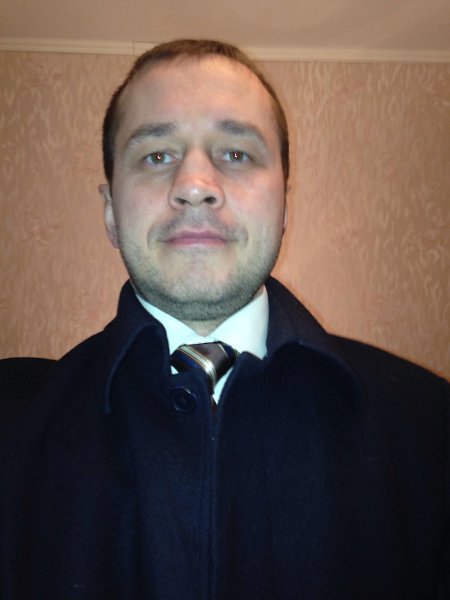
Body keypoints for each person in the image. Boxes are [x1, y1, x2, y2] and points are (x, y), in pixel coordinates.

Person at [1, 39, 448, 600]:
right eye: (156, 155)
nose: (195, 186)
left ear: (283, 207)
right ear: (111, 211)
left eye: (236, 154)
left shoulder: (433, 429)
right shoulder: (12, 429)